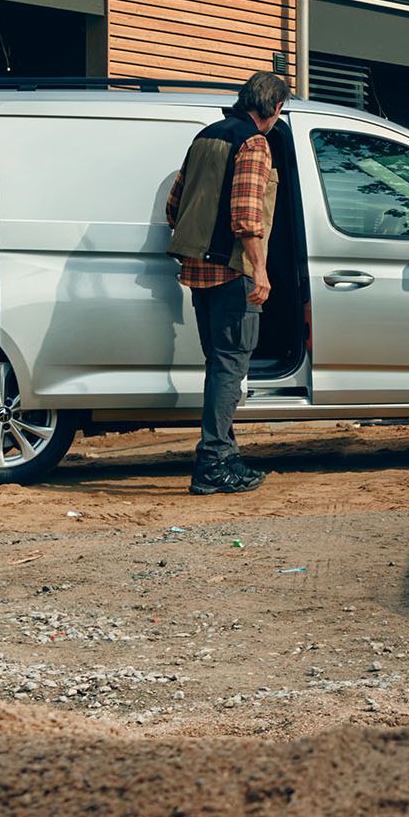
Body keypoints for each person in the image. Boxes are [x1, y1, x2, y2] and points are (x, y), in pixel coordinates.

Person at [165, 69, 286, 497]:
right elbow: (247, 217)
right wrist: (262, 272)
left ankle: (226, 455)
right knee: (231, 367)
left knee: (219, 365)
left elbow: (173, 204)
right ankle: (213, 463)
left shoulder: (206, 136)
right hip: (234, 271)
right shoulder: (254, 143)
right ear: (274, 108)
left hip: (199, 270)